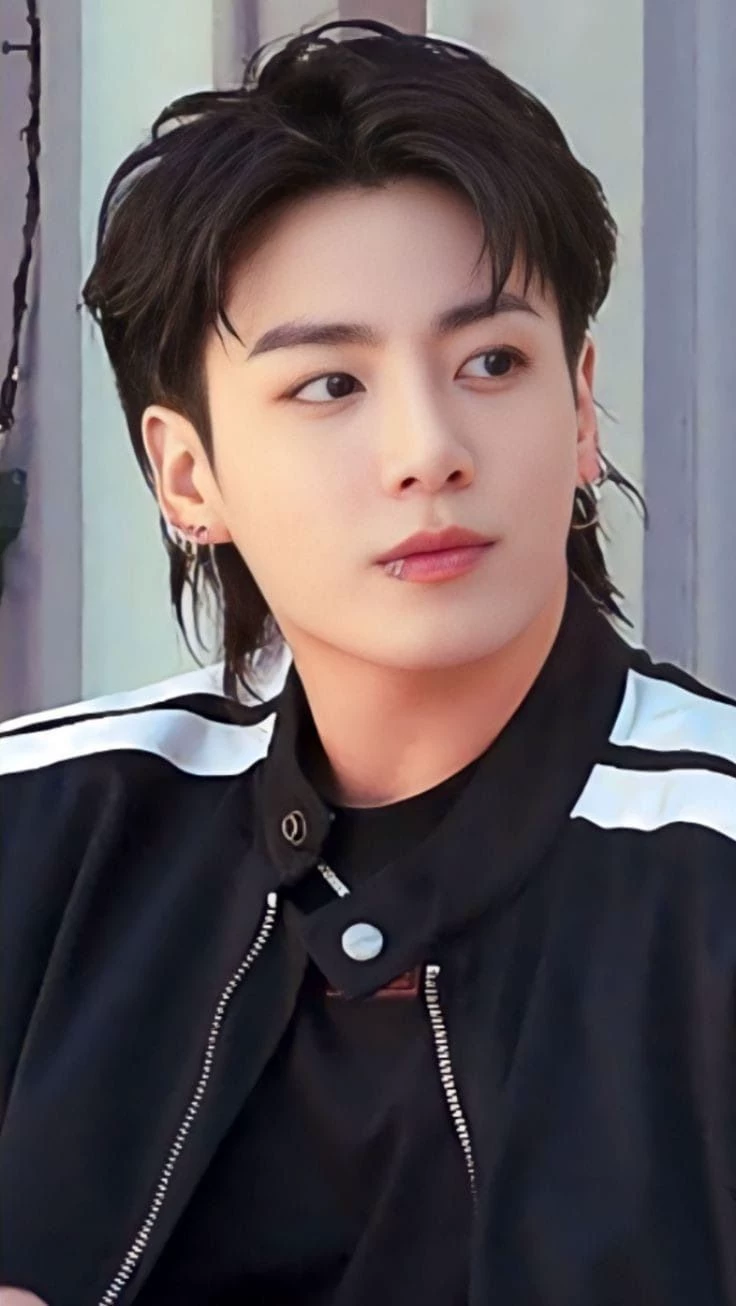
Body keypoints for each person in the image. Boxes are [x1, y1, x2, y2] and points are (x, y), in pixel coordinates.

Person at [1, 17, 735, 1306]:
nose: (429, 448)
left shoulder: (704, 868)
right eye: (329, 385)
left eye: (492, 361)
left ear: (579, 408)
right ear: (188, 474)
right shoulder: (44, 825)